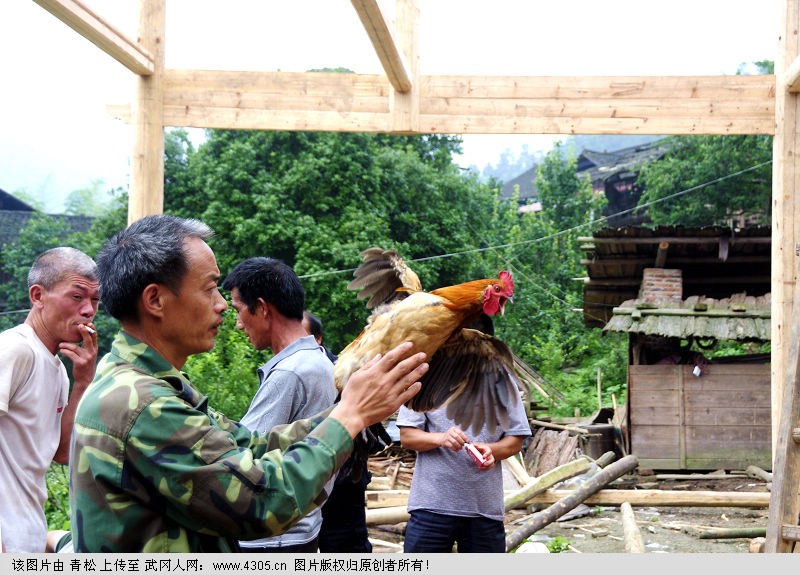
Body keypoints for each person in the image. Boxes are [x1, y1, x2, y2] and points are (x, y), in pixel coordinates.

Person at [67, 214, 428, 552]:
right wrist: (348, 417)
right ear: (155, 299)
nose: (223, 305)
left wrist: (354, 411)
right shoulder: (143, 404)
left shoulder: (148, 385)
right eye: (210, 289)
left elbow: (251, 443)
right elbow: (262, 502)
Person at [221, 259, 337, 553]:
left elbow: (244, 455)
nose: (237, 323)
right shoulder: (319, 359)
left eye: (238, 310)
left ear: (261, 308)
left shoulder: (290, 372)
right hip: (303, 526)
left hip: (273, 539)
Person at [0, 247, 99, 552]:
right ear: (37, 295)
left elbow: (59, 452)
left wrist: (83, 382)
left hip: (27, 534)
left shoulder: (58, 369)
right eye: (77, 296)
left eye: (95, 300)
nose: (88, 310)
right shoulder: (15, 349)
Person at [303, 310, 390, 553]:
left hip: (342, 482)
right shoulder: (284, 370)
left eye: (300, 332)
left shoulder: (344, 371)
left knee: (347, 548)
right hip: (305, 483)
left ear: (317, 339)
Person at [397, 399, 531, 553]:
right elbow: (407, 436)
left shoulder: (504, 383)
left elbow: (515, 441)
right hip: (431, 507)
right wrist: (440, 438)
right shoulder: (425, 382)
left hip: (484, 509)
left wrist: (490, 450)